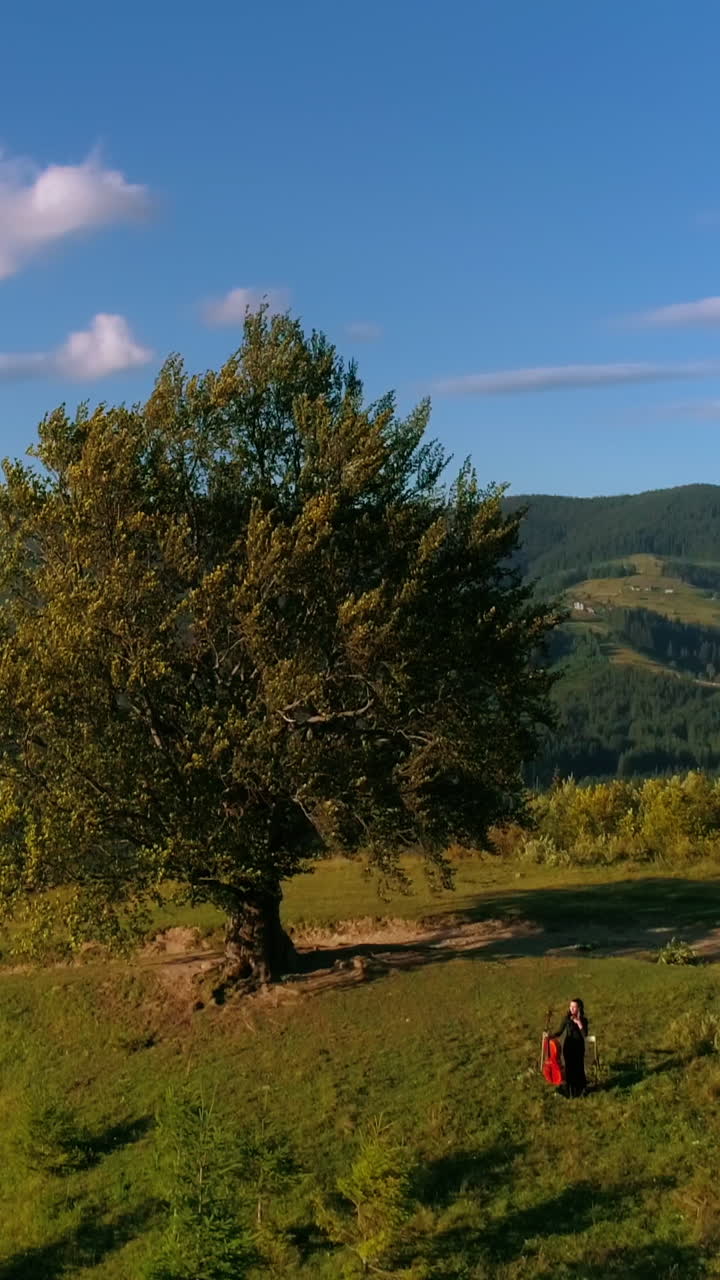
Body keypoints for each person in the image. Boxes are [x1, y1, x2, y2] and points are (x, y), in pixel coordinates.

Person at [545, 998, 589, 1098]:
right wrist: (550, 1036)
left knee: (578, 1067)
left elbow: (585, 1034)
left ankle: (580, 1089)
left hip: (578, 1047)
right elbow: (560, 1032)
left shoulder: (584, 1020)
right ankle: (570, 1091)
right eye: (571, 1007)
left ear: (579, 1008)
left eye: (574, 1007)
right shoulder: (566, 1019)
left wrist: (578, 1022)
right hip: (568, 1046)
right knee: (569, 1068)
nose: (572, 1009)